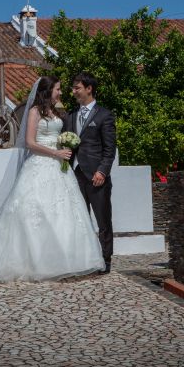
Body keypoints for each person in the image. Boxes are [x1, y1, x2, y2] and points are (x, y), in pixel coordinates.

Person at [0, 76, 106, 283]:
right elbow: (29, 143)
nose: (61, 92)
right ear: (48, 90)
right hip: (40, 164)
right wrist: (55, 153)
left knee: (64, 213)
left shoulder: (56, 112)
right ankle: (35, 263)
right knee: (35, 212)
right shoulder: (35, 111)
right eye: (58, 89)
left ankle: (68, 260)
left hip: (59, 169)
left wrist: (64, 147)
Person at [64, 72, 117, 274]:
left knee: (103, 219)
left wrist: (102, 171)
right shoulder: (70, 115)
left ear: (89, 89)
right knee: (80, 219)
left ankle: (105, 259)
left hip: (96, 176)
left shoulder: (104, 115)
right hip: (74, 174)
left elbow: (109, 148)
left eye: (77, 88)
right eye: (73, 88)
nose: (74, 91)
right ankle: (84, 259)